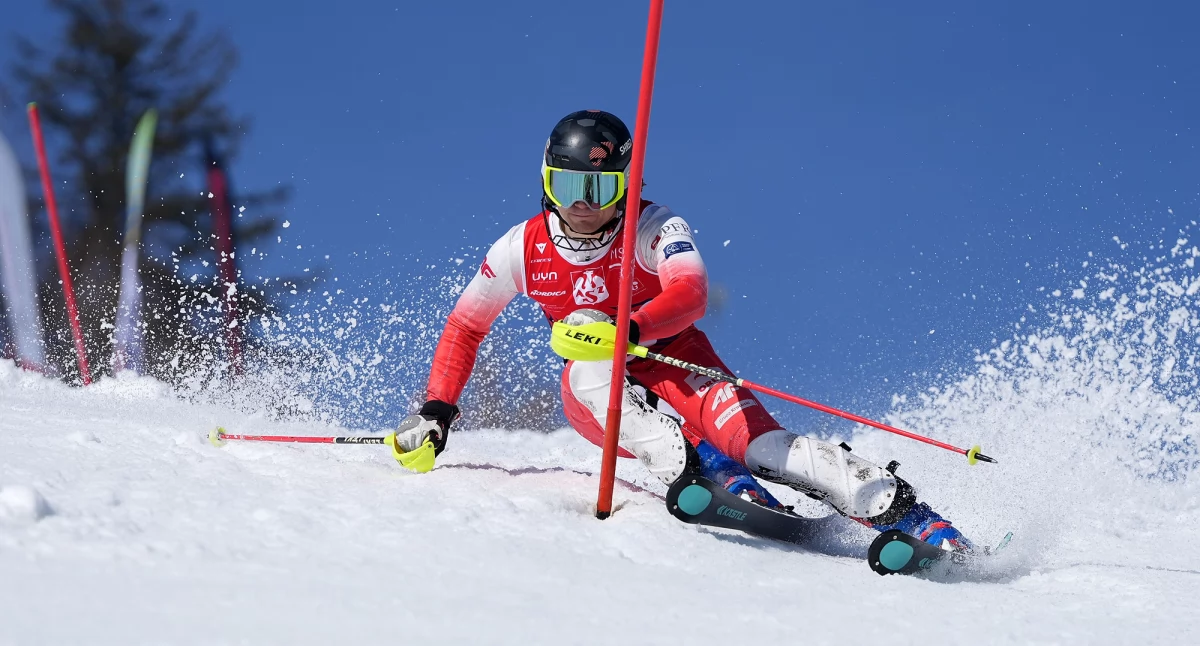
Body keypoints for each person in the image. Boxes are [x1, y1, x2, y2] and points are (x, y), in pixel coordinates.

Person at [391, 109, 971, 551]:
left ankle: (906, 514)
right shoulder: (521, 247)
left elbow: (690, 295)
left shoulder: (656, 225)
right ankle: (694, 465)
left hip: (681, 363)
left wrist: (630, 326)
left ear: (626, 182)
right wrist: (438, 407)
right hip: (600, 391)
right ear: (547, 182)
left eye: (602, 188)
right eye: (569, 188)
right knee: (589, 356)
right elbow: (465, 328)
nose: (584, 206)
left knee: (766, 448)